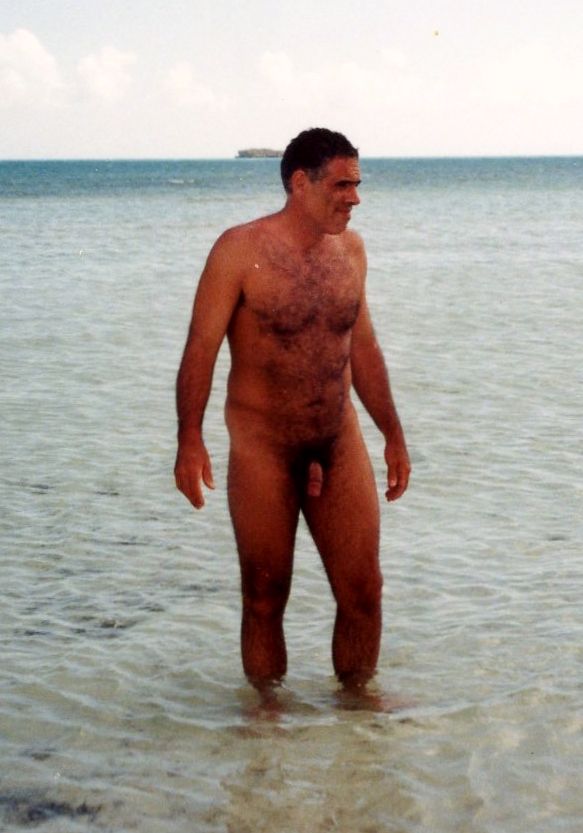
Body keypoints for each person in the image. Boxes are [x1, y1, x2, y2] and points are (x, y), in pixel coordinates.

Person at [174, 128, 410, 691]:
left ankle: (357, 713)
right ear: (300, 183)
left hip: (337, 440)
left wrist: (394, 435)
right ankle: (266, 719)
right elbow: (201, 348)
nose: (354, 198)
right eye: (342, 185)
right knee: (264, 594)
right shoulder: (238, 251)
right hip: (264, 447)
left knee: (364, 591)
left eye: (357, 184)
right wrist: (189, 440)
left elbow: (363, 347)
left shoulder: (351, 252)